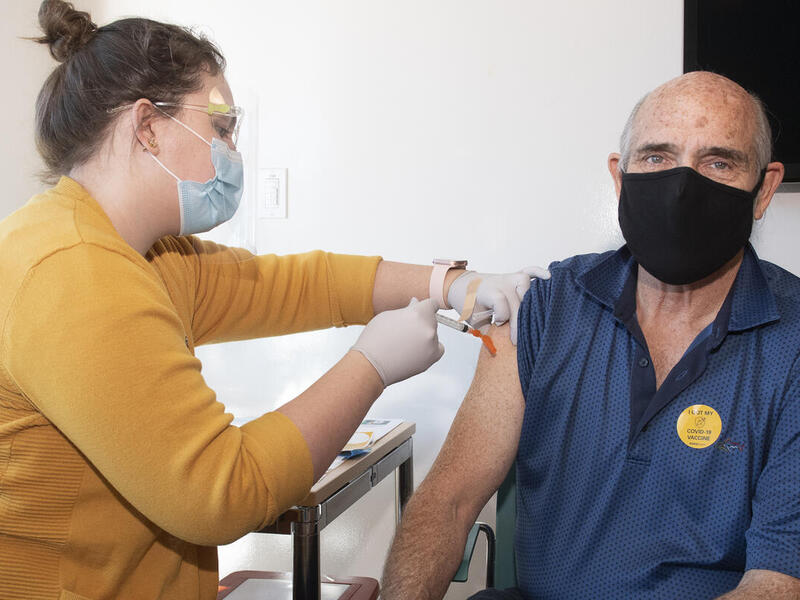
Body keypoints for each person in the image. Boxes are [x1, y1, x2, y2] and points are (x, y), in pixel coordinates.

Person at [0, 2, 549, 599]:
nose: (233, 149)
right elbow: (224, 492)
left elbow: (299, 285)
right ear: (147, 126)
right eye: (220, 126)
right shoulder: (74, 272)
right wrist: (370, 367)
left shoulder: (149, 255)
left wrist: (453, 284)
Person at [381, 71, 800, 599]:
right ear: (620, 178)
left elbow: (777, 582)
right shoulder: (546, 308)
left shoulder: (793, 342)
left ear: (763, 190)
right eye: (656, 157)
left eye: (718, 162)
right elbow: (449, 500)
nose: (682, 187)